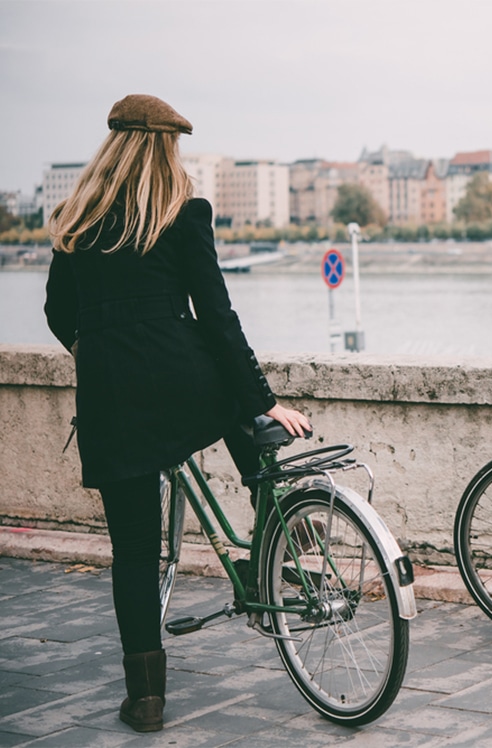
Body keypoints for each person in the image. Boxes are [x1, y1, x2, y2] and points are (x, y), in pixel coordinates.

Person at [44, 94, 310, 731]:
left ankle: (147, 699)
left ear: (112, 148)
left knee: (134, 552)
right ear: (165, 149)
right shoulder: (185, 212)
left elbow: (59, 315)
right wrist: (265, 398)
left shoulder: (73, 221)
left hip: (114, 398)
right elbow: (217, 318)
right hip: (187, 381)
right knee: (240, 413)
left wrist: (102, 350)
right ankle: (275, 543)